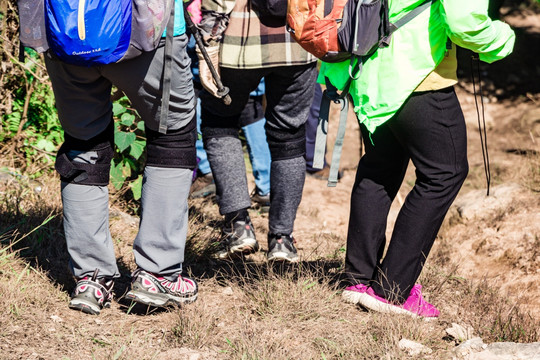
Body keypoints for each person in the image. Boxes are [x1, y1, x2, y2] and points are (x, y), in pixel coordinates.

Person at [319, 0, 515, 318]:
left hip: (366, 70)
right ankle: (392, 291)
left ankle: (358, 280)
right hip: (415, 75)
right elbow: (465, 21)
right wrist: (503, 39)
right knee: (446, 172)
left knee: (380, 167)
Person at [44, 0, 198, 314]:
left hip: (64, 29)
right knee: (174, 136)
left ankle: (91, 279)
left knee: (83, 146)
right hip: (146, 29)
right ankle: (158, 273)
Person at [198, 0, 317, 262]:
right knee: (289, 135)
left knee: (219, 121)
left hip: (239, 42)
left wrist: (208, 42)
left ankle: (239, 226)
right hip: (301, 39)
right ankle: (282, 239)